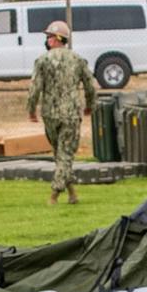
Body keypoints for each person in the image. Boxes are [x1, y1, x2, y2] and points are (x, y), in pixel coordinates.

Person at [27, 20, 95, 205]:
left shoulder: (42, 60)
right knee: (64, 155)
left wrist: (31, 109)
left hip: (50, 114)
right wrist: (90, 105)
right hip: (71, 114)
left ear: (57, 39)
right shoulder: (78, 60)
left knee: (60, 154)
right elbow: (90, 86)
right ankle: (63, 193)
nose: (47, 40)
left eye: (49, 36)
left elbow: (35, 88)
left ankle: (62, 194)